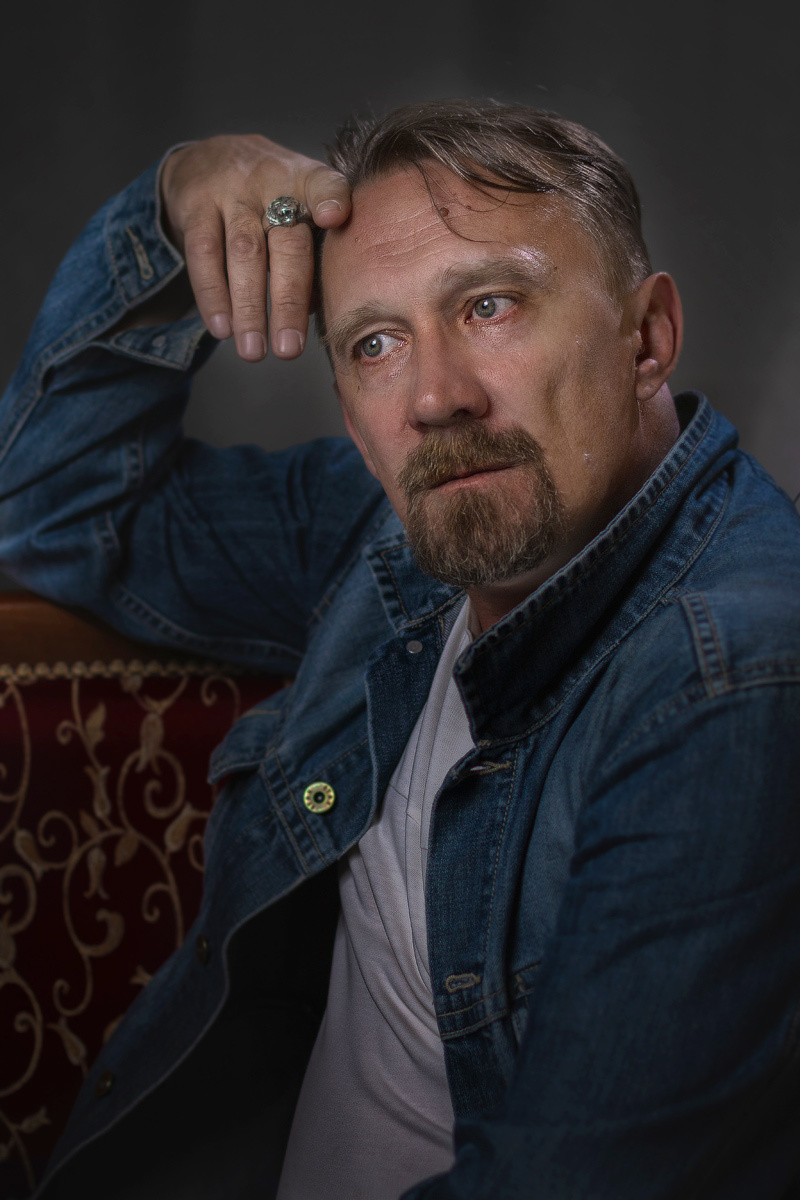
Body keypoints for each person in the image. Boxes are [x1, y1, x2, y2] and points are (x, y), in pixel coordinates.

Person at [2, 99, 800, 1200]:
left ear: (646, 338)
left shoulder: (727, 683)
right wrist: (172, 209)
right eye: (374, 344)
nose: (434, 398)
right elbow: (53, 513)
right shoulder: (408, 526)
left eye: (489, 305)